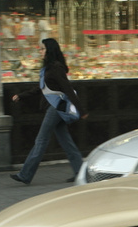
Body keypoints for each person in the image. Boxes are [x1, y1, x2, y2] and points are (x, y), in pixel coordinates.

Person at [10, 38, 85, 184]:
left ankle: (25, 174)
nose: (40, 51)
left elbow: (68, 88)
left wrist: (81, 110)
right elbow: (41, 88)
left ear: (50, 50)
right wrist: (21, 96)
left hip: (55, 108)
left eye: (43, 49)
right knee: (66, 142)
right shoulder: (49, 68)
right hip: (54, 107)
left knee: (41, 140)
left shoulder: (56, 68)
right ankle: (81, 172)